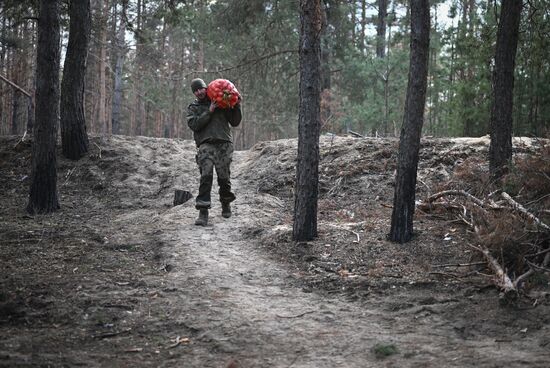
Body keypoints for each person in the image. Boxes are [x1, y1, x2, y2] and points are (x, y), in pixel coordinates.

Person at [186, 78, 242, 226]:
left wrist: (237, 105)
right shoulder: (194, 107)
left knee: (224, 178)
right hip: (206, 145)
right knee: (206, 176)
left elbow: (235, 122)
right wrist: (209, 112)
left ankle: (226, 203)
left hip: (224, 143)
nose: (199, 92)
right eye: (195, 90)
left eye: (201, 89)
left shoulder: (221, 102)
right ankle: (203, 212)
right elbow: (194, 124)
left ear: (207, 88)